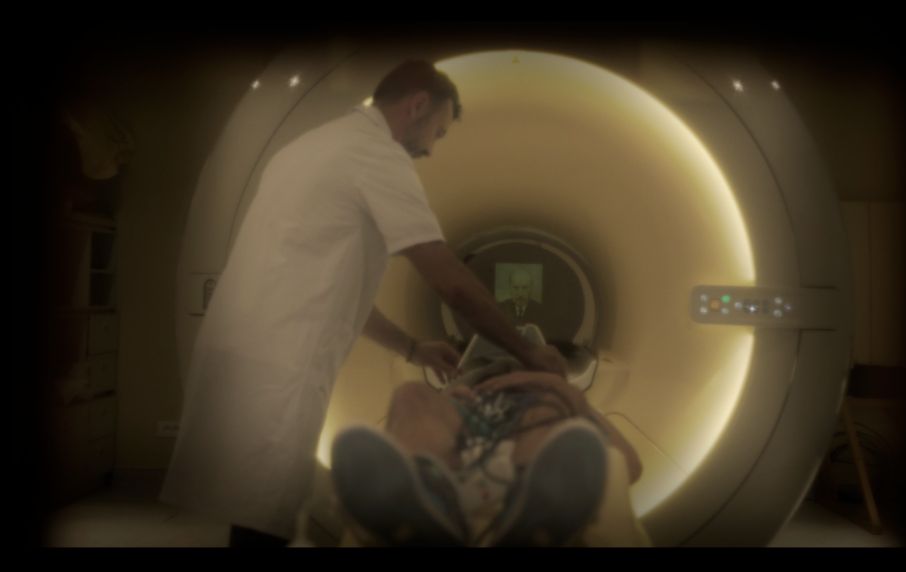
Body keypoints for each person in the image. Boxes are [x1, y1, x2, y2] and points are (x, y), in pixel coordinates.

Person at [160, 60, 568, 547]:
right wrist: (529, 352)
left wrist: (413, 348)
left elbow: (332, 288)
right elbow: (448, 279)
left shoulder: (308, 146)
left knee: (252, 511)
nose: (431, 148)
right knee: (262, 516)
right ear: (417, 105)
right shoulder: (377, 155)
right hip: (282, 361)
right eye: (437, 132)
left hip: (248, 351)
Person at [330, 366, 644, 546]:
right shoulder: (460, 391)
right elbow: (626, 467)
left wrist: (559, 390)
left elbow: (630, 466)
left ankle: (533, 516)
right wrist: (447, 400)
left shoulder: (548, 392)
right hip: (465, 406)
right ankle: (425, 506)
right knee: (410, 394)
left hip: (531, 410)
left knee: (547, 410)